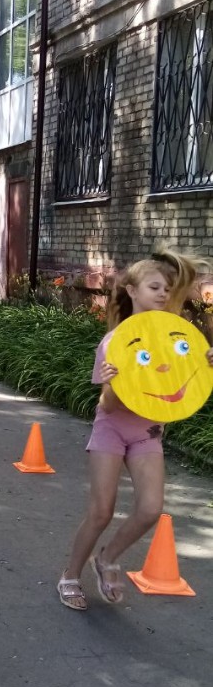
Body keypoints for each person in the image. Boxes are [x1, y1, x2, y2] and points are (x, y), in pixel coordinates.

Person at [57, 249, 213, 612]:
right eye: (154, 286)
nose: (162, 293)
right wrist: (111, 383)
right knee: (101, 512)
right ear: (132, 291)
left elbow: (185, 388)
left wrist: (205, 363)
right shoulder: (113, 344)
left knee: (150, 509)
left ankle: (108, 558)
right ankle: (70, 575)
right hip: (111, 430)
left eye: (167, 288)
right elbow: (108, 406)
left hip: (147, 434)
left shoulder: (178, 340)